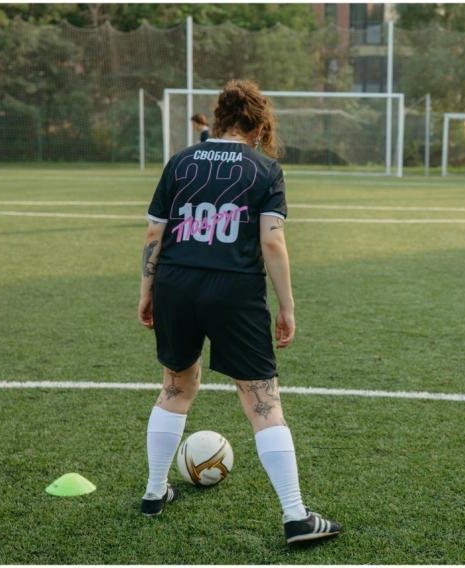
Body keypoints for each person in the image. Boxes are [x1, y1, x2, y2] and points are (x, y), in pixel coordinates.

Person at [137, 79, 342, 545]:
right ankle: (295, 516)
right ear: (258, 125)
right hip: (234, 290)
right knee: (259, 398)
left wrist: (147, 291)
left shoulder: (180, 161)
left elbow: (154, 235)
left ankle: (153, 493)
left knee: (175, 386)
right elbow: (271, 240)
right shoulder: (264, 168)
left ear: (220, 117)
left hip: (176, 282)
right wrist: (287, 305)